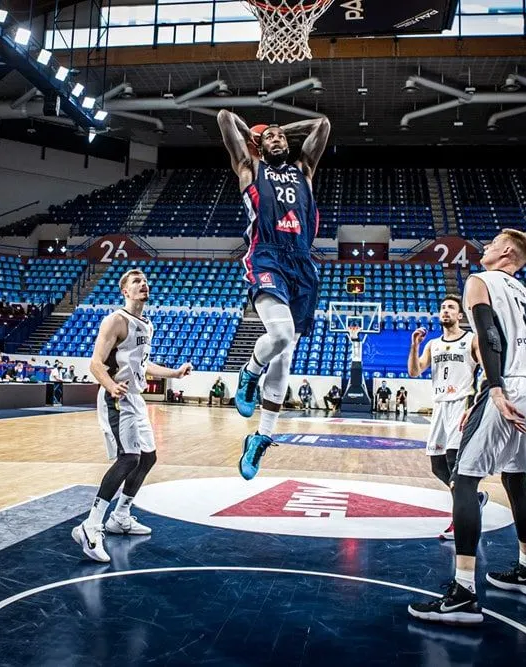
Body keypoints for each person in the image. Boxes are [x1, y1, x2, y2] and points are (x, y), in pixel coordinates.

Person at [408, 229, 526, 624]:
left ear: (506, 251)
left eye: (492, 242)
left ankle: (463, 593)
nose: (485, 246)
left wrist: (494, 388)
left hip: (513, 385)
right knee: (515, 479)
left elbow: (489, 335)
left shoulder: (479, 281)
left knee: (465, 478)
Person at [218, 108, 331, 481]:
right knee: (280, 335)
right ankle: (249, 371)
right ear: (258, 145)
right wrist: (253, 133)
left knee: (285, 357)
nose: (278, 138)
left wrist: (282, 127)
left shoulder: (305, 171)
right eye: (271, 137)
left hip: (302, 265)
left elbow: (322, 125)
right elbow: (223, 117)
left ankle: (262, 437)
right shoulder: (250, 170)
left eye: (281, 136)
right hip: (266, 255)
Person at [72, 269, 193, 563]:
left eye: (145, 280)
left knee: (148, 457)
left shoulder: (145, 324)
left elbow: (144, 364)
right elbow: (95, 364)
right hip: (116, 397)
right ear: (124, 290)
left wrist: (174, 372)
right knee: (129, 458)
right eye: (136, 281)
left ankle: (121, 516)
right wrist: (111, 385)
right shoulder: (116, 320)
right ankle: (90, 526)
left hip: (135, 398)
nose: (143, 284)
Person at [408, 294, 485, 541]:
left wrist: (477, 402)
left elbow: (487, 370)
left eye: (451, 308)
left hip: (462, 404)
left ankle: (459, 520)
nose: (445, 311)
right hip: (440, 406)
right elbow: (415, 370)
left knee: (454, 461)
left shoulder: (471, 340)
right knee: (437, 464)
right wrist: (415, 345)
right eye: (443, 308)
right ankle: (473, 498)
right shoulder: (433, 344)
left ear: (460, 315)